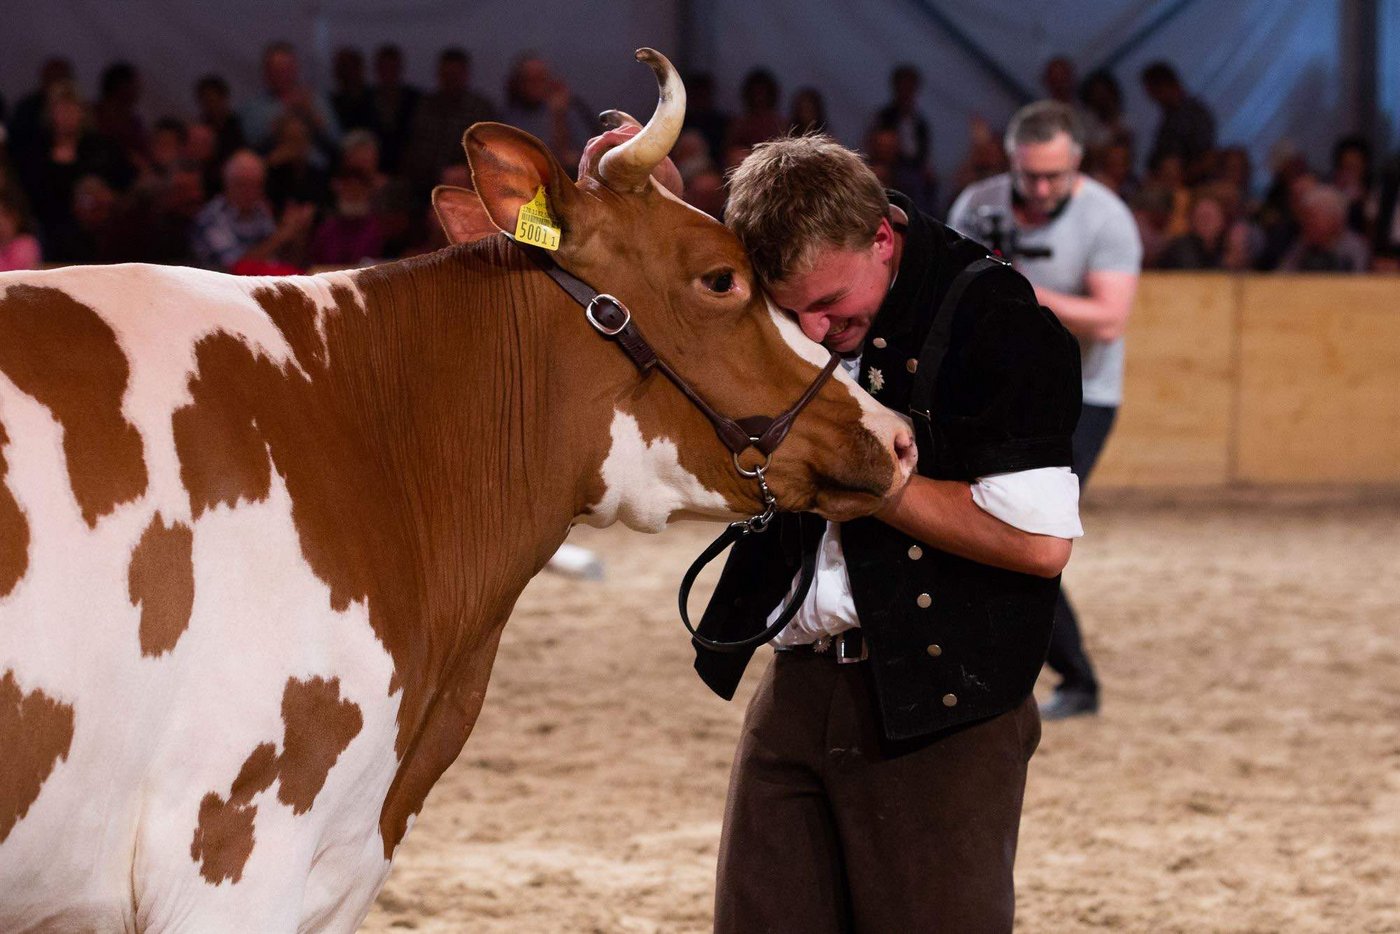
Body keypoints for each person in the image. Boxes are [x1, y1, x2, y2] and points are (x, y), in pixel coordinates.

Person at [687, 132, 1083, 931]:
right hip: (794, 686)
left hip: (948, 708)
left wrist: (871, 487)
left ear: (881, 237)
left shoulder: (995, 318)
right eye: (790, 310)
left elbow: (1040, 546)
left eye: (830, 305)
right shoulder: (798, 304)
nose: (814, 328)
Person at [949, 100, 1141, 720]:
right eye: (1027, 175)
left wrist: (1017, 289)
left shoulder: (1107, 219)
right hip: (989, 391)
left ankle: (1077, 679)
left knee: (1030, 533)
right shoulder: (978, 206)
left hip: (1082, 399)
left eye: (1053, 176)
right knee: (971, 529)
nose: (1037, 189)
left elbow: (1110, 319)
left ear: (1077, 165)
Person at [190, 149, 313, 272]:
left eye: (256, 185)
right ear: (227, 184)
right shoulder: (212, 218)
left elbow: (278, 259)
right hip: (221, 287)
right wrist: (282, 235)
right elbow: (236, 268)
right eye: (242, 185)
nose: (250, 192)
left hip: (262, 284)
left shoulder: (260, 211)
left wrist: (298, 234)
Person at [1140, 61, 1216, 182]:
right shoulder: (1167, 119)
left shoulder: (1195, 114)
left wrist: (1181, 178)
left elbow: (1208, 158)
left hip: (1190, 183)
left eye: (1154, 93)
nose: (1153, 99)